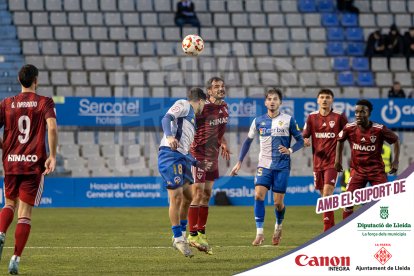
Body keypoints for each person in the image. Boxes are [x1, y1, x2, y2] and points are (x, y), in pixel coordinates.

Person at [0, 64, 57, 274]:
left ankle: (0, 232)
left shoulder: (7, 103)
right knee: (25, 214)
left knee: (8, 204)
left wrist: (4, 145)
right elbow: (51, 127)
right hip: (33, 164)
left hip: (11, 161)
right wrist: (52, 155)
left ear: (18, 80)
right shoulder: (44, 102)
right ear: (36, 80)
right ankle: (15, 258)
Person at [230, 88, 304, 246]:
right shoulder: (258, 121)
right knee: (258, 195)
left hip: (282, 166)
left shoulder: (288, 120)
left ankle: (278, 226)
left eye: (275, 99)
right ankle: (260, 233)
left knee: (278, 203)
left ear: (280, 102)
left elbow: (301, 141)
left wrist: (290, 150)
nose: (272, 101)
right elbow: (247, 141)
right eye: (269, 99)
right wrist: (239, 162)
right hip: (264, 164)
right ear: (265, 102)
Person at [158, 87, 210, 258]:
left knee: (189, 197)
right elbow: (167, 118)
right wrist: (169, 136)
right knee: (177, 197)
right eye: (204, 104)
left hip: (182, 158)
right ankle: (178, 238)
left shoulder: (192, 119)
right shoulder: (184, 105)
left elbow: (185, 149)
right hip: (169, 155)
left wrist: (197, 162)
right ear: (201, 101)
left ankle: (179, 233)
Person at [185, 77, 230, 255]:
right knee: (197, 193)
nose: (220, 89)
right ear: (209, 91)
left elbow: (219, 130)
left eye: (222, 86)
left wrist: (223, 142)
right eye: (216, 87)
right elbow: (189, 126)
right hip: (199, 154)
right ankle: (192, 234)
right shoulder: (202, 108)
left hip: (213, 155)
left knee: (207, 195)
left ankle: (201, 233)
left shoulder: (225, 107)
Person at [334, 99, 400, 219]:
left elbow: (395, 140)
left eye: (362, 112)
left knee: (385, 203)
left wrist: (395, 161)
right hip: (357, 171)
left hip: (376, 171)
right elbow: (339, 140)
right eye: (356, 112)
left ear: (369, 113)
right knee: (348, 201)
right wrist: (337, 160)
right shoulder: (349, 128)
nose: (358, 115)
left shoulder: (379, 129)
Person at [302, 89, 348, 232]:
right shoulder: (311, 117)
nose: (324, 100)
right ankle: (332, 226)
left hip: (333, 162)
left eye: (327, 97)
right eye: (322, 97)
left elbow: (350, 132)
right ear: (317, 100)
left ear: (332, 100)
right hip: (317, 162)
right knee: (324, 197)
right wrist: (305, 140)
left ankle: (327, 229)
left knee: (328, 194)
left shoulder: (339, 117)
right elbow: (305, 135)